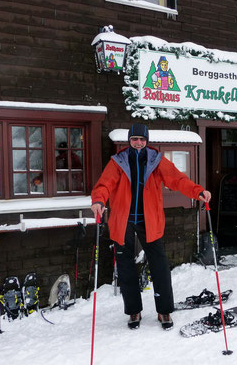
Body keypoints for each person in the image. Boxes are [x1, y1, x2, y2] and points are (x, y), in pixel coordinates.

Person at [90, 123, 211, 331]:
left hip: (149, 221)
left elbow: (177, 180)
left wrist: (197, 191)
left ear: (147, 141)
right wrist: (98, 201)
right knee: (126, 268)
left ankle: (164, 310)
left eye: (142, 139)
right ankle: (133, 311)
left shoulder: (157, 161)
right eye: (135, 139)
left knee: (160, 266)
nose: (138, 143)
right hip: (123, 221)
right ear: (129, 140)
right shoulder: (117, 162)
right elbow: (104, 185)